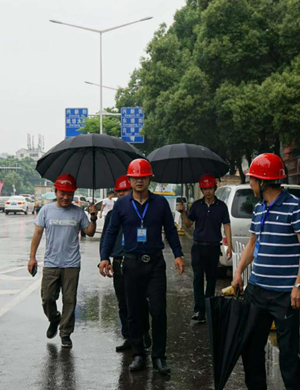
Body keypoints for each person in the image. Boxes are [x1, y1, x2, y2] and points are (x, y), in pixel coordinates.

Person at [231, 153, 300, 390]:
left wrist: (299, 285)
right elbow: (252, 244)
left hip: (284, 294)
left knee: (288, 352)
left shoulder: (296, 207)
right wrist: (239, 272)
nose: (250, 182)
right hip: (257, 290)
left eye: (252, 178)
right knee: (250, 345)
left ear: (263, 181)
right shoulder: (259, 208)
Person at [99, 159, 185, 375]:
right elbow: (111, 232)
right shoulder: (122, 205)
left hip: (155, 263)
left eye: (143, 177)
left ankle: (158, 356)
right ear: (129, 180)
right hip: (131, 263)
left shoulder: (160, 204)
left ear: (149, 179)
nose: (139, 181)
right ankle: (139, 354)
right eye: (135, 177)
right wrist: (104, 257)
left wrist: (178, 254)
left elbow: (171, 230)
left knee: (158, 310)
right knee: (134, 311)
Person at [27, 173, 97, 348]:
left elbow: (89, 232)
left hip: (72, 264)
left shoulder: (78, 211)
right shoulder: (46, 210)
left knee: (70, 300)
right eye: (62, 193)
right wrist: (32, 257)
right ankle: (54, 318)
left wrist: (94, 217)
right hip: (51, 262)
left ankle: (65, 333)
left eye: (69, 194)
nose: (66, 197)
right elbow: (37, 233)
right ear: (55, 191)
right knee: (47, 298)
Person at [99, 175, 151, 352]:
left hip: (138, 261)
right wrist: (103, 259)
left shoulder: (141, 212)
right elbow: (106, 237)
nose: (121, 194)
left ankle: (143, 332)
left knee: (140, 301)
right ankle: (128, 336)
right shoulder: (113, 215)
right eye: (118, 191)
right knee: (123, 302)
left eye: (124, 190)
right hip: (119, 262)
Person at [178, 174, 232, 324]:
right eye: (205, 188)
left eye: (210, 188)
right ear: (201, 190)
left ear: (214, 188)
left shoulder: (221, 206)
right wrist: (182, 212)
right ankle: (199, 310)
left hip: (214, 247)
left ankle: (209, 308)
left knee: (212, 278)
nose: (208, 191)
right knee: (197, 278)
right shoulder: (196, 205)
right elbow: (188, 224)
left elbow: (226, 225)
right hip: (198, 247)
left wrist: (230, 245)